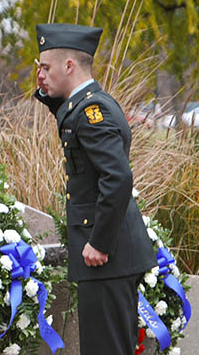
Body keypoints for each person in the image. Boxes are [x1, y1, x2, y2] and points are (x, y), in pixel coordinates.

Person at [33, 23, 157, 355]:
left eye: (45, 67)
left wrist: (98, 242)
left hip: (106, 256)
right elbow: (70, 121)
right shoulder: (86, 104)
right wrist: (47, 93)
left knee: (106, 349)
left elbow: (116, 179)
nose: (40, 74)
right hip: (111, 258)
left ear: (69, 66)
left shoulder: (93, 112)